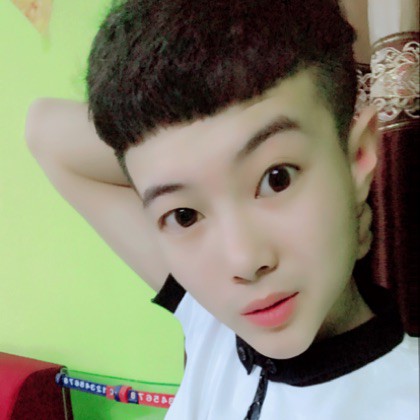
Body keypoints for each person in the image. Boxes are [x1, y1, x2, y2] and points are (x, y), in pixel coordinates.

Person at [26, 1, 419, 419]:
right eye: (185, 216)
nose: (244, 262)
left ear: (358, 156)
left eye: (277, 179)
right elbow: (42, 130)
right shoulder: (211, 323)